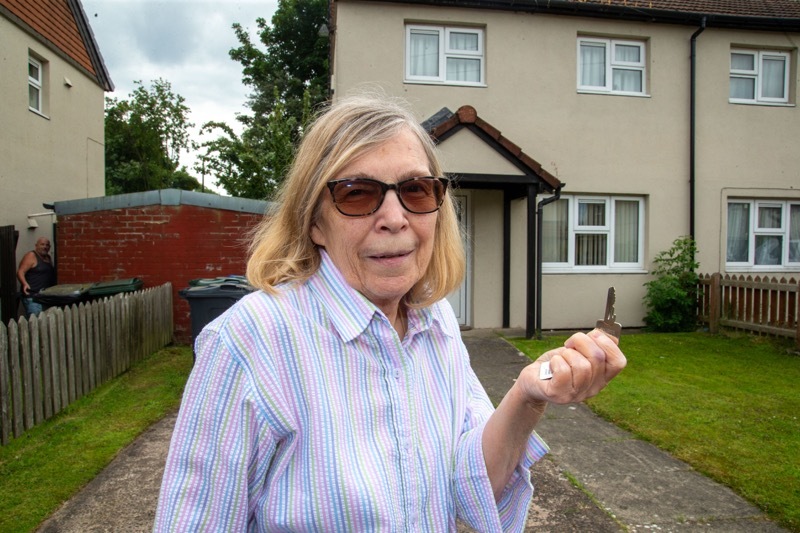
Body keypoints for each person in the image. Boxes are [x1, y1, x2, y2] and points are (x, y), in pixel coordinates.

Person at [154, 95, 626, 532]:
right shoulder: (249, 342)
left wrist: (527, 396)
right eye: (358, 193)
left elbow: (470, 482)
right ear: (314, 222)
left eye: (416, 190)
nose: (395, 217)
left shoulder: (434, 320)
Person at [17, 237, 56, 317]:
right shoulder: (31, 255)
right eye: (42, 244)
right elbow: (20, 272)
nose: (45, 247)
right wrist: (24, 283)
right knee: (35, 322)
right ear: (36, 245)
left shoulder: (48, 258)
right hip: (33, 297)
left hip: (45, 297)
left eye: (47, 245)